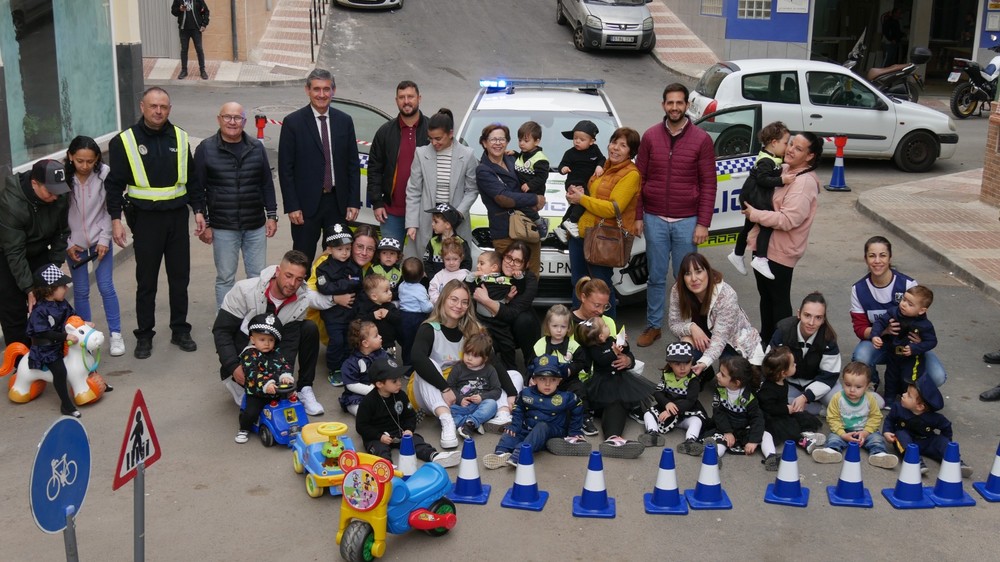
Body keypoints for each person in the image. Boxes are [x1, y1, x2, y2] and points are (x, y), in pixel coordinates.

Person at [106, 86, 206, 360]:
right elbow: (114, 186)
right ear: (142, 106)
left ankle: (180, 330)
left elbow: (192, 180)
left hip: (176, 218)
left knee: (179, 278)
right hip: (146, 221)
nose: (158, 111)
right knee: (146, 282)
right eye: (153, 106)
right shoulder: (124, 141)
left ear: (169, 109)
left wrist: (199, 210)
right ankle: (145, 335)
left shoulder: (180, 137)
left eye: (163, 106)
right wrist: (116, 220)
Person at [635, 83, 717, 348]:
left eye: (679, 103)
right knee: (656, 277)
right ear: (663, 105)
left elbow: (708, 184)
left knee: (689, 279)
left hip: (687, 219)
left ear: (686, 106)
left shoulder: (702, 139)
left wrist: (703, 222)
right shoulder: (650, 137)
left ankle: (689, 327)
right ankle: (653, 325)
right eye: (669, 103)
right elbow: (639, 179)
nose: (674, 107)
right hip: (654, 218)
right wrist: (638, 216)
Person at [212, 250, 329, 416]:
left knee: (309, 328)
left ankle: (305, 388)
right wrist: (233, 366)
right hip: (245, 353)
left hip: (273, 349)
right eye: (288, 275)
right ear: (277, 272)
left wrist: (284, 380)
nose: (292, 283)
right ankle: (238, 381)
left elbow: (289, 343)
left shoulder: (302, 299)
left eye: (299, 279)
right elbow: (221, 331)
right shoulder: (244, 290)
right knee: (255, 408)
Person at [194, 101, 278, 309]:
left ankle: (256, 323)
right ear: (219, 119)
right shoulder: (206, 148)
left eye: (237, 118)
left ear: (244, 121)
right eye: (227, 117)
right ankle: (225, 325)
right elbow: (197, 189)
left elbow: (266, 183)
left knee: (258, 277)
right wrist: (204, 220)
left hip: (255, 225)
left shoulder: (256, 147)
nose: (232, 122)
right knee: (225, 278)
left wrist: (272, 215)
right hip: (223, 227)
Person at [744, 132, 822, 343]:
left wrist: (755, 215)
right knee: (766, 299)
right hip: (763, 248)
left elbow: (789, 219)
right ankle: (767, 341)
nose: (790, 149)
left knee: (778, 302)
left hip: (780, 252)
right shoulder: (786, 169)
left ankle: (782, 347)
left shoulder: (804, 182)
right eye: (790, 144)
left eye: (798, 148)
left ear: (809, 156)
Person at [278, 69, 361, 264]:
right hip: (305, 207)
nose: (321, 94)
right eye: (316, 89)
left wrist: (353, 201)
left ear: (333, 90)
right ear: (307, 90)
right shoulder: (293, 123)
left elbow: (352, 165)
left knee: (337, 258)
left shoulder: (344, 121)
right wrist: (292, 205)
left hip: (337, 203)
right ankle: (301, 294)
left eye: (326, 89)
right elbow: (285, 169)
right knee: (302, 259)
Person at [850, 236, 945, 390]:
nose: (877, 261)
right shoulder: (858, 289)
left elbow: (921, 319)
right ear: (865, 259)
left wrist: (920, 341)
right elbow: (859, 329)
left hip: (908, 345)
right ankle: (872, 382)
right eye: (872, 256)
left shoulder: (907, 284)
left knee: (938, 377)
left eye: (882, 255)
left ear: (890, 258)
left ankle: (908, 389)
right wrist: (883, 331)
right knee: (861, 356)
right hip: (879, 343)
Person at [566, 126, 641, 318]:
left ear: (631, 152)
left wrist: (581, 199)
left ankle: (608, 335)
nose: (615, 148)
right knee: (579, 285)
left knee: (601, 288)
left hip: (603, 238)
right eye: (614, 142)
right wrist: (575, 196)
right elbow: (591, 197)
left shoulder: (631, 175)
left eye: (623, 145)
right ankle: (580, 330)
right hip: (580, 235)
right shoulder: (604, 167)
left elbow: (612, 208)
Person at [0, 160, 71, 348]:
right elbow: (14, 251)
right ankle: (20, 362)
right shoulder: (11, 202)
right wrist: (28, 287)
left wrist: (52, 267)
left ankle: (48, 354)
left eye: (59, 191)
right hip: (7, 255)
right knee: (14, 309)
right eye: (50, 192)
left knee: (48, 300)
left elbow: (62, 232)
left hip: (39, 250)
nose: (56, 197)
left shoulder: (59, 195)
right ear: (34, 183)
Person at [64, 136, 125, 357]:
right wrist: (68, 243)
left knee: (106, 286)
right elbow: (60, 215)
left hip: (101, 239)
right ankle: (85, 338)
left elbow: (111, 208)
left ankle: (116, 335)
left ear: (97, 158)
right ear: (71, 157)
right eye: (80, 160)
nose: (85, 166)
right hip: (75, 245)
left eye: (90, 161)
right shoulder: (64, 178)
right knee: (80, 291)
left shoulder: (105, 174)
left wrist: (104, 238)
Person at [668, 252, 764, 387]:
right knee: (685, 348)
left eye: (698, 271)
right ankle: (704, 374)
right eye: (688, 274)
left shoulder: (726, 295)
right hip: (701, 338)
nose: (694, 278)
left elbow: (720, 338)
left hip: (732, 342)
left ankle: (752, 370)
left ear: (708, 271)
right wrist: (691, 328)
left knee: (730, 381)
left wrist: (704, 362)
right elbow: (674, 324)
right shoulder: (678, 290)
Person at [408, 280, 484, 449]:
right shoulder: (429, 328)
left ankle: (502, 414)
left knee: (513, 375)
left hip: (458, 392)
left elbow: (491, 361)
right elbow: (417, 358)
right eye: (454, 299)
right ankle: (446, 421)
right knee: (429, 364)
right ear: (443, 299)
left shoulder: (472, 330)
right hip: (428, 393)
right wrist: (445, 388)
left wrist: (510, 394)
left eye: (464, 302)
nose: (459, 305)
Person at [482, 354, 590, 469]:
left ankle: (521, 453)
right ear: (534, 380)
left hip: (553, 431)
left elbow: (578, 407)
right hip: (528, 428)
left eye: (553, 380)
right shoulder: (526, 393)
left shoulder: (566, 397)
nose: (547, 384)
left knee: (542, 426)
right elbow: (518, 409)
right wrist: (515, 426)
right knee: (510, 432)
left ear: (559, 381)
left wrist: (574, 431)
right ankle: (501, 453)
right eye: (542, 379)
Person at [355, 357, 461, 468]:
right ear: (380, 384)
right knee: (379, 449)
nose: (399, 383)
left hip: (399, 431)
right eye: (394, 381)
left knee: (416, 441)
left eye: (399, 379)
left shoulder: (400, 395)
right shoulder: (368, 401)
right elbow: (361, 426)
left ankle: (434, 456)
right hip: (378, 435)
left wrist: (409, 429)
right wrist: (379, 436)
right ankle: (387, 466)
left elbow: (410, 416)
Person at [576, 315, 655, 459]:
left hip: (619, 380)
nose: (608, 327)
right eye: (605, 326)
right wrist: (614, 352)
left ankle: (615, 435)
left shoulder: (610, 340)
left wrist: (624, 344)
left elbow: (626, 351)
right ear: (600, 336)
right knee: (614, 400)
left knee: (623, 397)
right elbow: (602, 359)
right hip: (602, 384)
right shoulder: (593, 349)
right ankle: (612, 436)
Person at [405, 108, 478, 260]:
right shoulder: (421, 153)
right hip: (427, 217)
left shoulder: (467, 154)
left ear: (450, 134)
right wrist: (412, 223)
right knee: (425, 262)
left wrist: (457, 214)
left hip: (455, 217)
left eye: (438, 138)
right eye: (431, 138)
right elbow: (413, 190)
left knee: (453, 262)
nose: (434, 143)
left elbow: (472, 190)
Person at [476, 123, 545, 274]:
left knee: (532, 278)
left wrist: (540, 194)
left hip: (528, 228)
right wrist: (534, 199)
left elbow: (534, 175)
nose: (498, 143)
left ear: (507, 142)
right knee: (509, 281)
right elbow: (503, 198)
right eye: (493, 139)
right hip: (506, 234)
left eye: (502, 139)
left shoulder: (514, 160)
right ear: (484, 142)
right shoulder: (483, 170)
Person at [727, 121, 792, 280]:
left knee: (748, 226)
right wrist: (782, 180)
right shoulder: (766, 161)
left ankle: (737, 253)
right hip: (754, 195)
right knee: (767, 224)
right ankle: (760, 258)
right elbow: (763, 180)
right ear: (774, 143)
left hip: (753, 195)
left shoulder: (772, 157)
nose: (788, 147)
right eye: (786, 143)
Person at [368, 81, 429, 244]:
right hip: (391, 213)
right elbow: (374, 169)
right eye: (402, 97)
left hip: (424, 213)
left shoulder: (431, 130)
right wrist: (377, 202)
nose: (406, 101)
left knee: (418, 263)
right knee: (390, 260)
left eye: (410, 96)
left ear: (419, 98)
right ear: (396, 101)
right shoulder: (384, 132)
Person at [767, 292, 845, 415]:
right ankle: (818, 410)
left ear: (824, 319)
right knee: (772, 401)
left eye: (818, 317)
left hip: (819, 382)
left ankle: (809, 404)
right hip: (789, 382)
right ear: (799, 314)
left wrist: (806, 396)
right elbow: (769, 362)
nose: (811, 322)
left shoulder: (828, 339)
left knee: (841, 405)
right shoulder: (783, 330)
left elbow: (829, 375)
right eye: (807, 315)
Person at [471, 242, 541, 376]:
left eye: (518, 261)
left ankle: (531, 366)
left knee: (524, 319)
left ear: (525, 265)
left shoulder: (527, 279)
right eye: (508, 258)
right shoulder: (493, 273)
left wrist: (486, 300)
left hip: (517, 327)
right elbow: (473, 287)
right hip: (491, 324)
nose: (511, 263)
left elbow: (512, 313)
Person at [811, 361, 898, 469]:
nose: (852, 390)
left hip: (865, 430)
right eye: (847, 385)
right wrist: (842, 434)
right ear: (843, 382)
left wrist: (866, 432)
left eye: (858, 387)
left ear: (867, 386)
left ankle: (879, 455)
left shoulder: (870, 399)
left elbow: (875, 416)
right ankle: (831, 452)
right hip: (844, 430)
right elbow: (832, 418)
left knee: (876, 439)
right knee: (834, 438)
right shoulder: (838, 398)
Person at [884, 376, 971, 477]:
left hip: (927, 441)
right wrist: (887, 431)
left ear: (920, 406)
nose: (903, 395)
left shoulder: (935, 418)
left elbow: (946, 426)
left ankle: (955, 461)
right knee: (900, 434)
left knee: (942, 441)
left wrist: (946, 442)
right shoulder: (897, 408)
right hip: (906, 442)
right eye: (905, 392)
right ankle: (915, 462)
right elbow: (889, 419)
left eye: (908, 395)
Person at [26, 264, 81, 417]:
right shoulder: (39, 311)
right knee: (60, 371)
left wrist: (82, 323)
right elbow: (44, 332)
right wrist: (65, 336)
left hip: (61, 345)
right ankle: (66, 405)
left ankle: (95, 384)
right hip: (46, 350)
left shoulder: (62, 303)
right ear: (50, 289)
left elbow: (72, 317)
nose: (66, 288)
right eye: (62, 286)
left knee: (84, 354)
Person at [756, 345, 824, 470]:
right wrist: (786, 409)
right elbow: (768, 407)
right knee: (788, 427)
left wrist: (788, 409)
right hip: (770, 418)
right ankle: (803, 441)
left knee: (801, 416)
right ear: (783, 372)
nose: (796, 365)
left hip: (782, 411)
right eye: (793, 364)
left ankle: (808, 433)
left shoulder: (783, 381)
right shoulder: (768, 389)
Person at [871, 285, 938, 408]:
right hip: (893, 354)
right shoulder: (893, 312)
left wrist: (915, 348)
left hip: (912, 359)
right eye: (904, 299)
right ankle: (889, 399)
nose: (904, 304)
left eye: (910, 304)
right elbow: (880, 322)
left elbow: (932, 341)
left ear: (921, 310)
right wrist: (875, 335)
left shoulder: (924, 325)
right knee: (890, 376)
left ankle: (907, 400)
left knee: (908, 379)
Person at [234, 313, 295, 444]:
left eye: (271, 340)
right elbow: (253, 373)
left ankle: (291, 426)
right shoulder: (249, 354)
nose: (267, 343)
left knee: (293, 404)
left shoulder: (276, 353)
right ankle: (244, 429)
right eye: (262, 339)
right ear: (252, 339)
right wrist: (266, 384)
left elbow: (285, 364)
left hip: (277, 391)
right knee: (252, 411)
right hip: (258, 393)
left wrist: (285, 376)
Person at [314, 224, 362, 386]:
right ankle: (334, 369)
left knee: (350, 340)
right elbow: (324, 287)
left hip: (350, 313)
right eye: (340, 249)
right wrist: (345, 283)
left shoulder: (353, 265)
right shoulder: (323, 268)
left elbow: (358, 281)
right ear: (330, 249)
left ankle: (347, 366)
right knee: (337, 341)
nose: (345, 253)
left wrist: (339, 284)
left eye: (348, 249)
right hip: (333, 315)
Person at [647, 342, 708, 455]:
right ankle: (652, 434)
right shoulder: (666, 375)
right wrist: (666, 404)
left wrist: (672, 411)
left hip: (686, 413)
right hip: (667, 408)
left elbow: (690, 401)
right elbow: (658, 392)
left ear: (692, 360)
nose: (683, 367)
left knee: (696, 421)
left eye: (687, 362)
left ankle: (690, 441)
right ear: (670, 363)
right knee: (648, 413)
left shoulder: (693, 379)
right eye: (677, 363)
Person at [705, 355, 765, 463]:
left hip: (743, 429)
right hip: (725, 426)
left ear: (737, 383)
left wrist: (753, 441)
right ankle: (714, 458)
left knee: (766, 435)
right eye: (719, 372)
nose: (717, 375)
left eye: (722, 375)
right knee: (721, 441)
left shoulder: (749, 397)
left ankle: (771, 455)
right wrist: (727, 431)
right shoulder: (720, 389)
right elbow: (718, 412)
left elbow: (757, 419)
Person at [555, 120, 606, 241]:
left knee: (575, 205)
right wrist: (563, 169)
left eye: (582, 140)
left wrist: (599, 166)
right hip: (573, 182)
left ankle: (562, 227)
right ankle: (572, 221)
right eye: (575, 138)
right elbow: (561, 165)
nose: (577, 141)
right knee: (584, 198)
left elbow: (602, 159)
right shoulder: (570, 153)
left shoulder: (595, 150)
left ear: (591, 141)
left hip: (586, 182)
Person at [448, 333, 501, 438]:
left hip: (480, 405)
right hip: (461, 406)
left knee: (492, 405)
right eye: (467, 353)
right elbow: (450, 387)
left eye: (475, 356)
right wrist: (460, 399)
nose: (469, 358)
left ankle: (470, 423)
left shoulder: (490, 370)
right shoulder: (458, 368)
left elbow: (497, 390)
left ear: (485, 358)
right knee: (446, 411)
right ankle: (473, 423)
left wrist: (482, 398)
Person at [339, 319, 387, 415]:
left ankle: (404, 415)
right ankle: (367, 416)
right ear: (365, 343)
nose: (380, 337)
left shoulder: (381, 354)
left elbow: (387, 370)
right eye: (376, 336)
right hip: (358, 395)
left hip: (380, 390)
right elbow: (351, 385)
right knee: (359, 408)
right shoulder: (351, 363)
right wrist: (371, 390)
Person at [512, 121, 550, 238]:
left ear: (537, 141)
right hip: (523, 191)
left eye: (526, 141)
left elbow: (542, 177)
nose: (522, 144)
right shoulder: (524, 153)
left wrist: (530, 185)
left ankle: (540, 222)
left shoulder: (540, 159)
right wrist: (514, 154)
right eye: (520, 140)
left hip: (534, 192)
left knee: (521, 206)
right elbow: (523, 163)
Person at [397, 257, 432, 364]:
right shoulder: (420, 289)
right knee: (417, 342)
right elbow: (426, 308)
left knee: (406, 343)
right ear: (422, 274)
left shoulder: (401, 286)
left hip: (403, 316)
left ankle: (407, 367)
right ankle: (419, 363)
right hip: (416, 319)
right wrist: (433, 304)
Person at [422, 203, 470, 279]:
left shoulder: (461, 243)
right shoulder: (433, 242)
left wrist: (457, 280)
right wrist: (434, 279)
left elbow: (466, 264)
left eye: (436, 221)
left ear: (447, 225)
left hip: (455, 285)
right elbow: (427, 263)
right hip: (436, 285)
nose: (432, 224)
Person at [356, 274, 401, 353]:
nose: (390, 293)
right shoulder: (366, 307)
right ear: (374, 296)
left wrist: (388, 314)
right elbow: (359, 320)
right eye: (386, 291)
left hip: (389, 344)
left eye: (390, 290)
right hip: (370, 346)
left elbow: (399, 320)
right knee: (372, 363)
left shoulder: (390, 306)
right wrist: (373, 315)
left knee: (391, 363)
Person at [170, 0, 210, 79]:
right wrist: (179, 9)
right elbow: (173, 11)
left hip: (196, 29)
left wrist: (204, 24)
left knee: (199, 49)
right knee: (184, 50)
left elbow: (206, 11)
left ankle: (202, 70)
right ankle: (184, 70)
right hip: (184, 29)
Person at [428, 237, 470, 304]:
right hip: (441, 309)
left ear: (461, 258)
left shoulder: (465, 275)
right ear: (443, 259)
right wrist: (439, 302)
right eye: (447, 259)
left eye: (455, 259)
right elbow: (432, 290)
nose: (451, 263)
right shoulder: (439, 276)